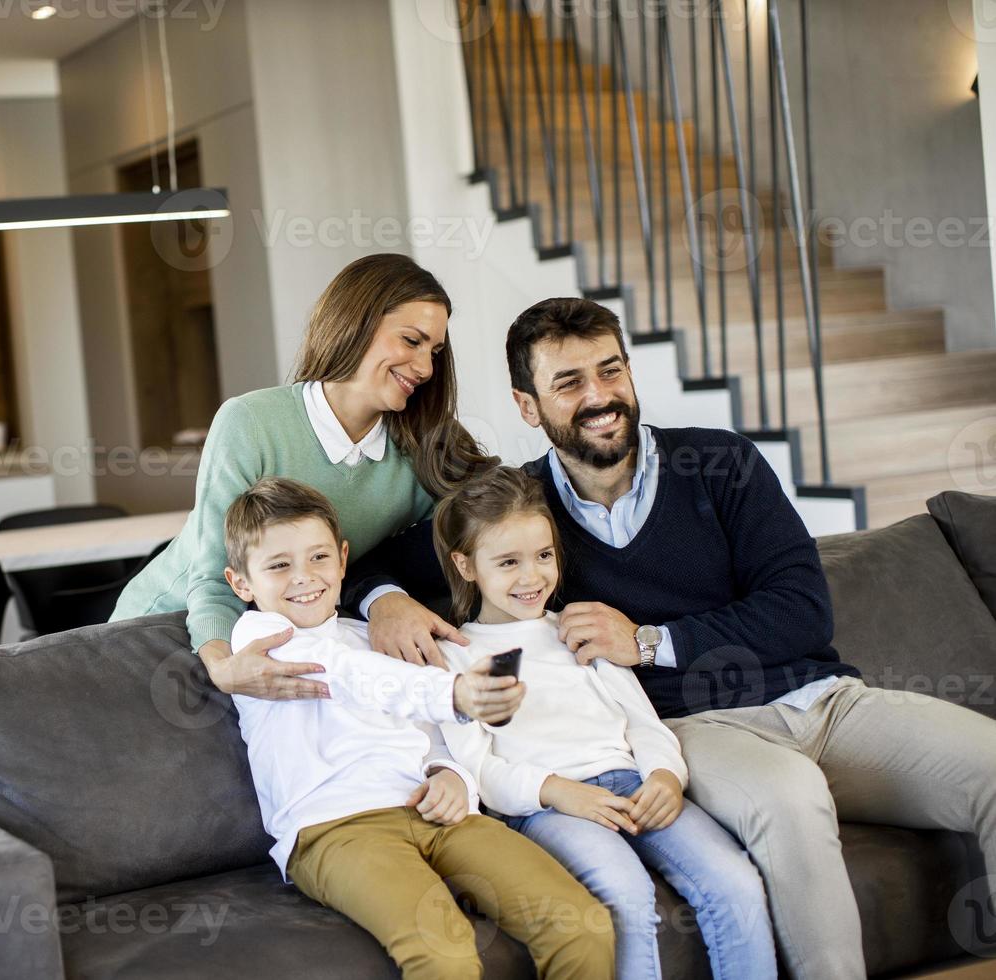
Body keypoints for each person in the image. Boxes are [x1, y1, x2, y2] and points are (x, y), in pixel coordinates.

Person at [342, 296, 996, 979]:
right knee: (790, 795)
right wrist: (386, 601)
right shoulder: (518, 515)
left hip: (827, 702)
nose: (600, 397)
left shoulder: (723, 464)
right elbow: (369, 563)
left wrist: (649, 641)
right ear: (528, 406)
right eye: (569, 383)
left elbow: (803, 612)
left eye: (611, 370)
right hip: (699, 731)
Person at [221, 476, 615, 980]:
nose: (304, 577)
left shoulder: (369, 635)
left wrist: (451, 774)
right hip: (336, 830)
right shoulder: (258, 638)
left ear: (343, 560)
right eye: (279, 565)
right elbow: (349, 677)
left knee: (581, 925)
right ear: (242, 584)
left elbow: (427, 729)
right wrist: (453, 693)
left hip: (433, 811)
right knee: (444, 953)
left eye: (319, 558)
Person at [431, 467, 775, 980]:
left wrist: (664, 776)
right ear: (466, 565)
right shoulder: (457, 657)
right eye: (508, 562)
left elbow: (644, 723)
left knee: (735, 881)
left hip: (633, 783)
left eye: (543, 556)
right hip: (549, 809)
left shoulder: (580, 629)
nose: (532, 577)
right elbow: (478, 767)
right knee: (624, 893)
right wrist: (558, 792)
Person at [112, 253, 499, 703]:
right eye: (411, 341)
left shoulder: (429, 445)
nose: (426, 368)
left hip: (283, 633)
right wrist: (221, 665)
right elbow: (216, 574)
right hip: (175, 627)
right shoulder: (250, 421)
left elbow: (460, 543)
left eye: (434, 352)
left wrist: (385, 597)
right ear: (354, 323)